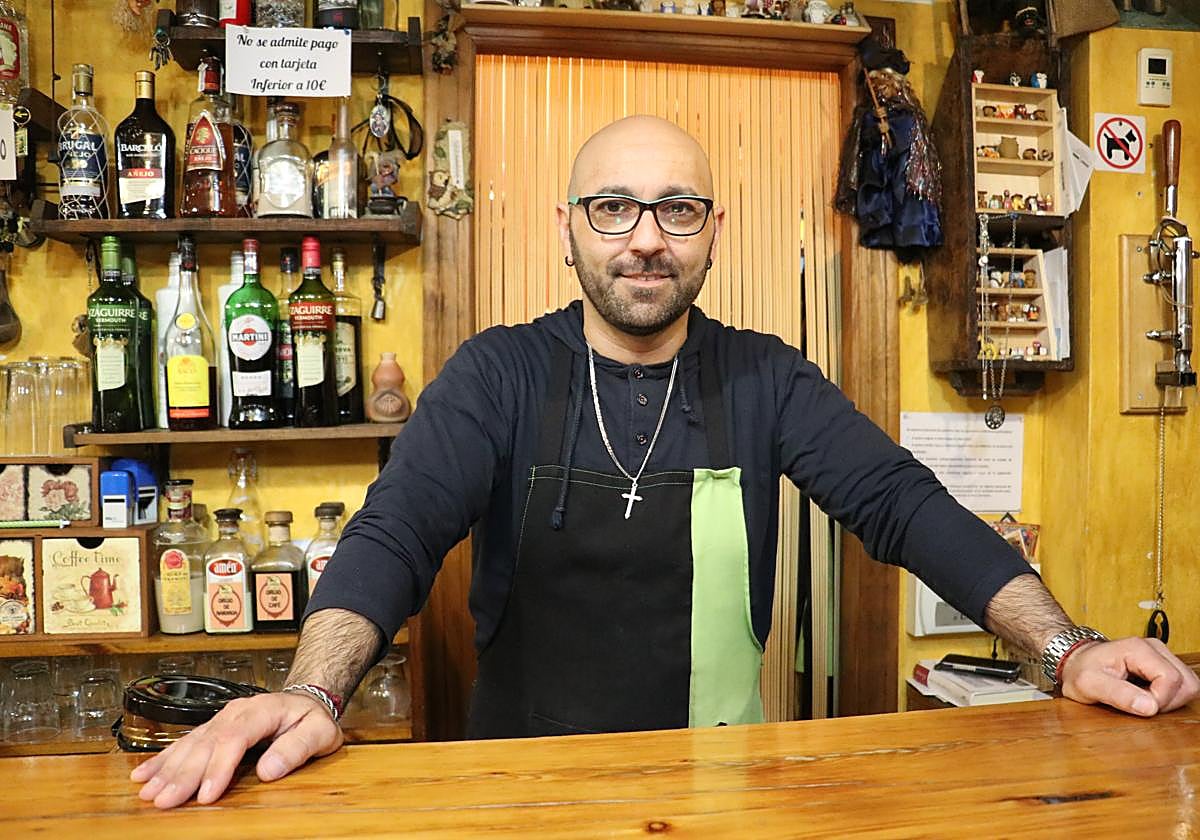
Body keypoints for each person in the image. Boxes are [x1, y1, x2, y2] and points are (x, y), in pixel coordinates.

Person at [132, 115, 1200, 809]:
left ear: (711, 232)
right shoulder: (495, 376)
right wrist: (314, 694)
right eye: (614, 209)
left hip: (722, 797)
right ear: (571, 231)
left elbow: (906, 507)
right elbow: (395, 532)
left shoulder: (766, 379)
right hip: (522, 796)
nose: (646, 238)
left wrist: (1063, 651)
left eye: (677, 210)